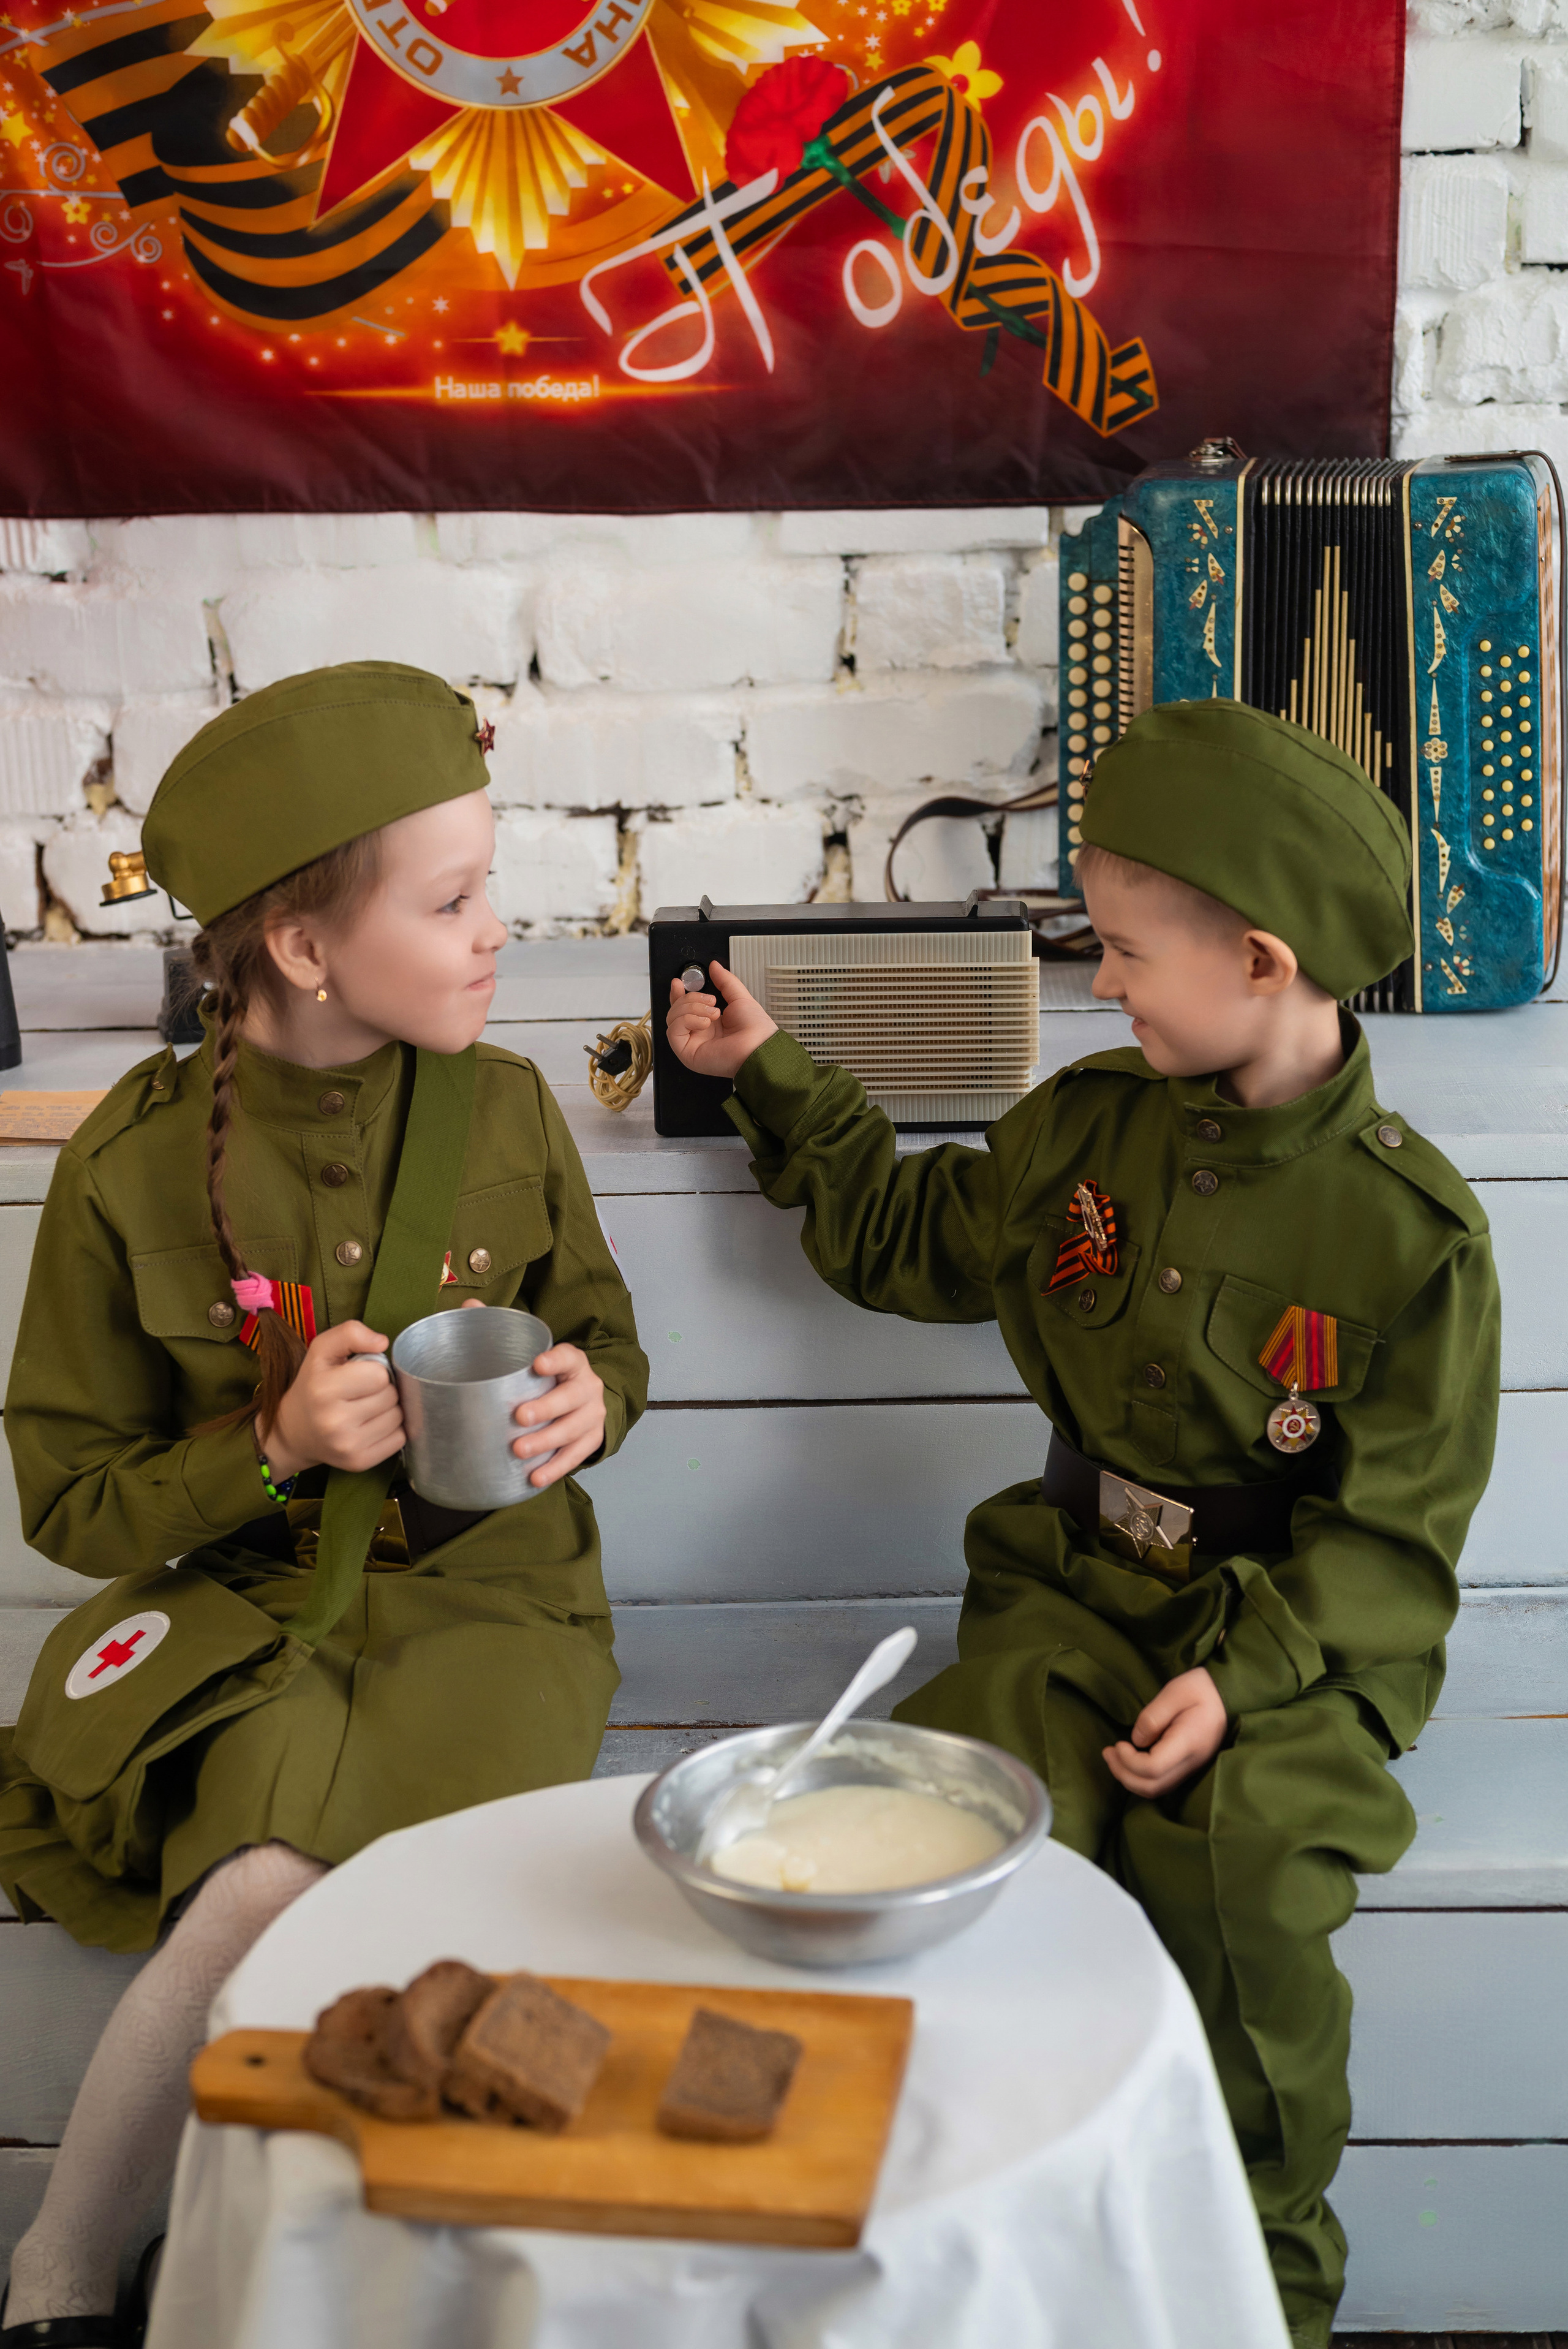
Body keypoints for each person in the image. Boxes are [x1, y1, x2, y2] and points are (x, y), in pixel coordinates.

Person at [665, 698, 1501, 2348]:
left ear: (1260, 961)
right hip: (1069, 1594)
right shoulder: (1091, 1129)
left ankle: (1266, 2287)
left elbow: (1394, 1543)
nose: (1098, 981)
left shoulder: (1413, 1234)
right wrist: (772, 1073)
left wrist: (1244, 1676)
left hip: (1297, 1640)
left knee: (1244, 1869)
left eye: (1120, 948)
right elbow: (915, 1233)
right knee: (970, 1817)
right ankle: (997, 2262)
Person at [0, 661, 647, 2344]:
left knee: (374, 1897)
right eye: (453, 898)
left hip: (501, 1596)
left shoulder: (504, 1105)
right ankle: (67, 2280)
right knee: (263, 1877)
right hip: (265, 1605)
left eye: (489, 881)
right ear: (303, 947)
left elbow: (603, 1333)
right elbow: (69, 1499)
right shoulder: (131, 1162)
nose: (500, 926)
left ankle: (302, 2285)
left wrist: (593, 1398)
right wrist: (272, 1445)